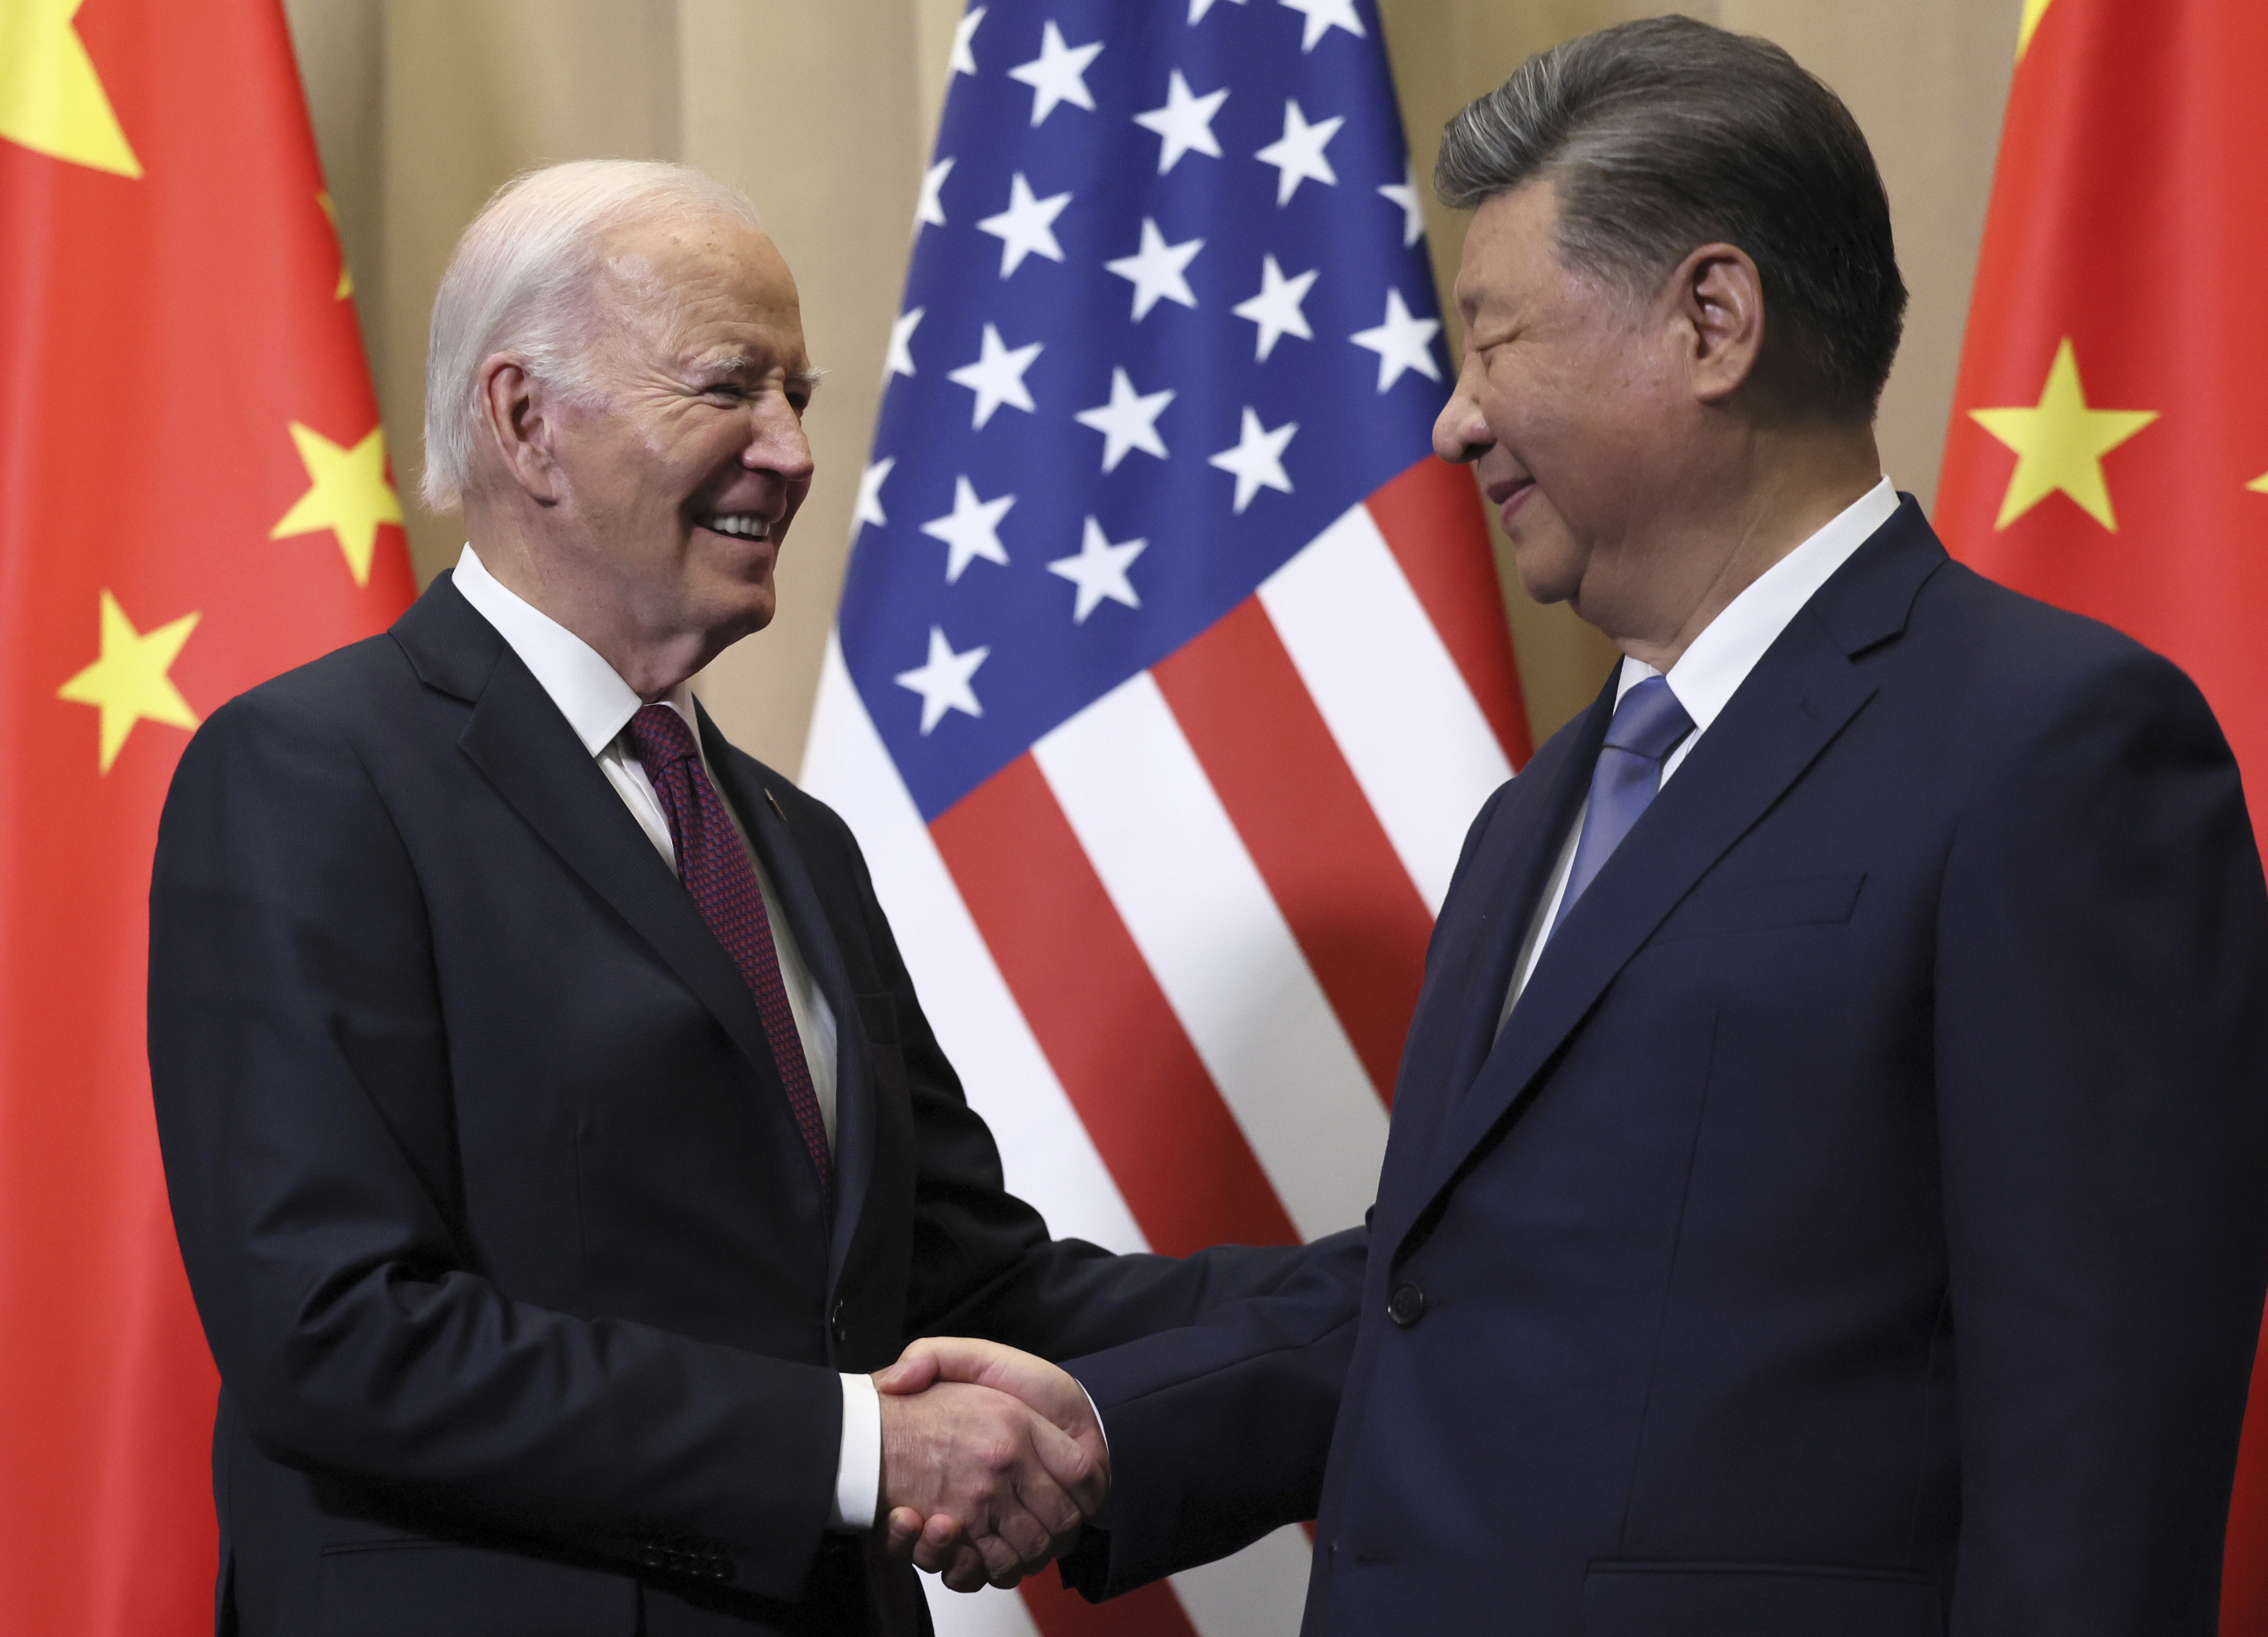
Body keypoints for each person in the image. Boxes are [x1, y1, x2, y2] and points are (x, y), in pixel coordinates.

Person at [885, 17, 2268, 1633]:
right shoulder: (1541, 809)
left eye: (1496, 342)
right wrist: (1106, 1428)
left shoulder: (2053, 746)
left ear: (1713, 319)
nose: (1454, 422)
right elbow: (1453, 1290)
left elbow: (2097, 1432)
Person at [145, 160, 1297, 1637]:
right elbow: (334, 1331)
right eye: (728, 387)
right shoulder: (316, 773)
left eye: (800, 395)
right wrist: (859, 1450)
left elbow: (967, 1287)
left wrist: (1404, 1287)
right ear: (524, 423)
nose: (793, 449)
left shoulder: (795, 845)